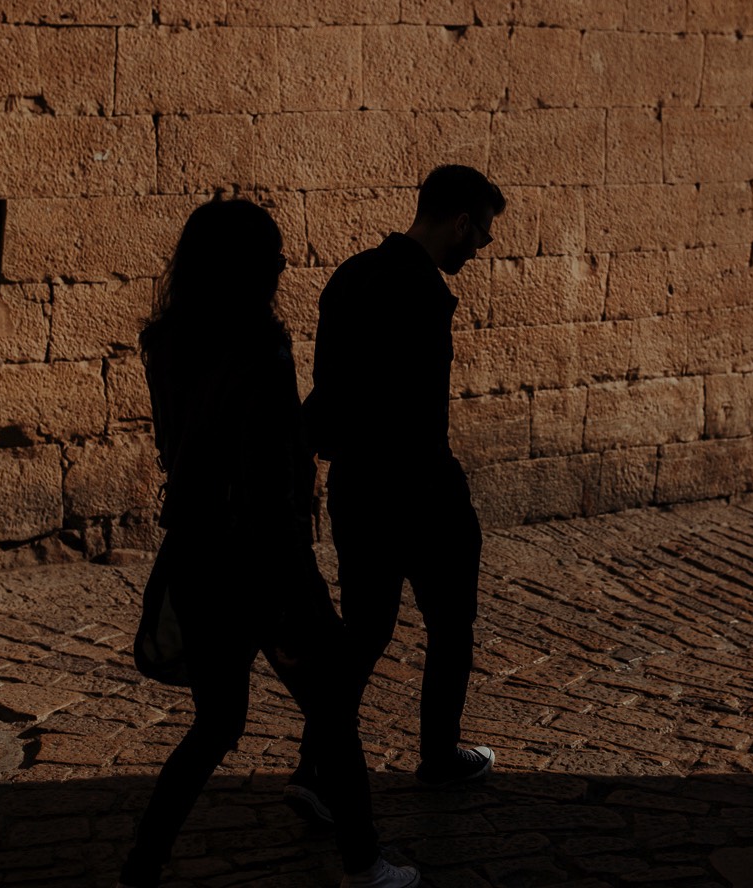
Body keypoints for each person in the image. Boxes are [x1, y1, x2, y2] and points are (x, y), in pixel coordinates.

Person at [117, 198, 419, 888]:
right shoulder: (261, 348)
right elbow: (267, 480)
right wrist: (300, 578)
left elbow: (183, 450)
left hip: (196, 552)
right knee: (333, 712)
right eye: (274, 254)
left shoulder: (166, 342)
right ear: (248, 267)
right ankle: (365, 863)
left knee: (217, 724)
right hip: (262, 566)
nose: (285, 265)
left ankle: (141, 867)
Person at [287, 165, 505, 818]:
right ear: (461, 222)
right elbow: (413, 410)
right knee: (450, 626)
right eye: (483, 232)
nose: (484, 246)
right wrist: (443, 487)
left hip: (357, 483)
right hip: (416, 488)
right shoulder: (423, 292)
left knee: (365, 630)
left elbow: (333, 391)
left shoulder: (350, 275)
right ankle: (438, 756)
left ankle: (314, 765)